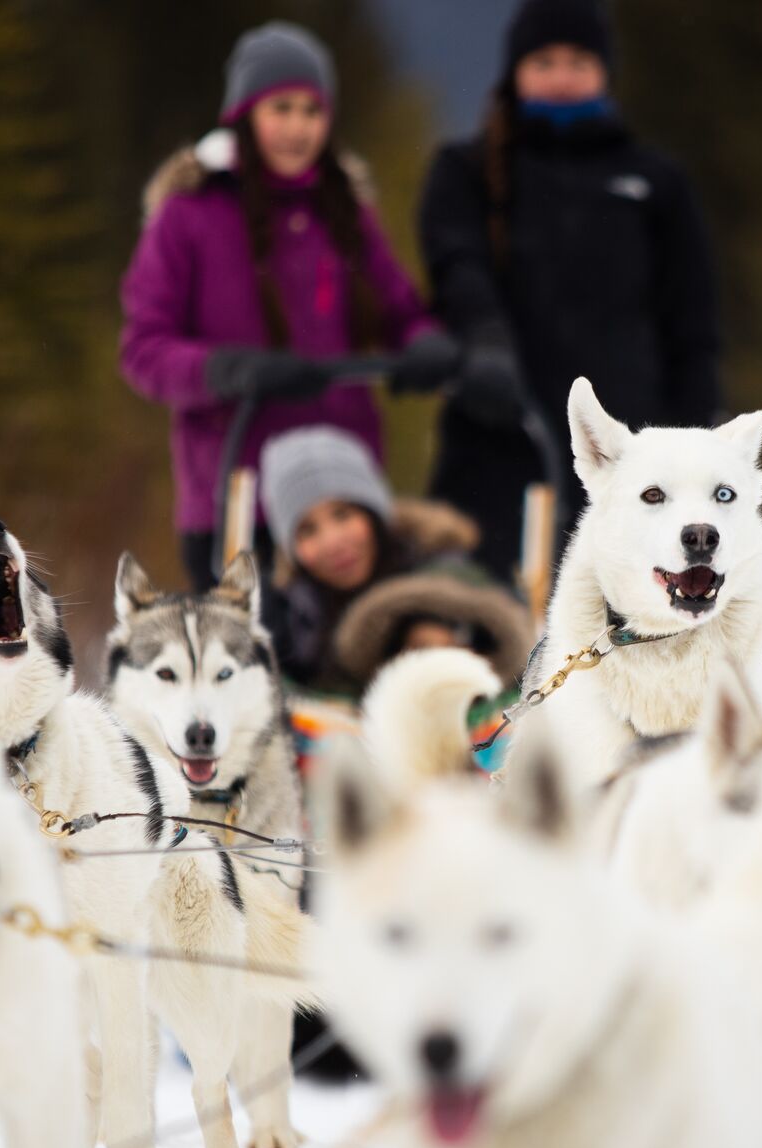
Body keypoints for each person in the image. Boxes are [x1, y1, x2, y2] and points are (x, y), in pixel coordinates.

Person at [120, 20, 461, 592]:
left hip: (345, 510)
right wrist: (225, 369)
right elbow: (144, 349)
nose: (298, 127)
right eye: (281, 107)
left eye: (312, 109)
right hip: (238, 500)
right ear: (246, 113)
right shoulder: (190, 214)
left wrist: (423, 344)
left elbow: (399, 309)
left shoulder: (343, 209)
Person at [417, 0, 726, 578]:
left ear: (605, 69)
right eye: (545, 60)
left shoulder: (655, 182)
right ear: (515, 70)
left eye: (579, 60)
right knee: (479, 614)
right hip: (498, 435)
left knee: (625, 622)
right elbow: (455, 266)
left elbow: (693, 321)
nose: (562, 76)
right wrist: (484, 339)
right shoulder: (466, 170)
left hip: (632, 452)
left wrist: (695, 442)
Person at [258, 426, 532, 700]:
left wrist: (433, 622)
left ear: (373, 515)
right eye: (307, 530)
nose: (333, 541)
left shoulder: (442, 567)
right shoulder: (289, 619)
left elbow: (494, 620)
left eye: (342, 514)